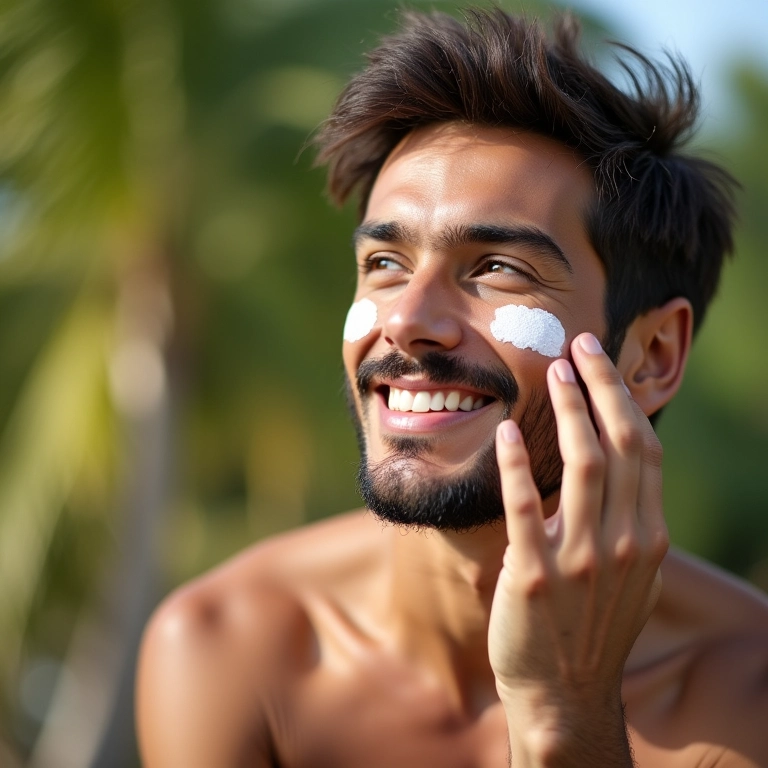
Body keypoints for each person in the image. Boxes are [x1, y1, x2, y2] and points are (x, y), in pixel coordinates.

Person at [136, 8, 768, 767]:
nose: (406, 321)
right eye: (385, 265)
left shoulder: (745, 697)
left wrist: (564, 717)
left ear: (653, 354)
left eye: (499, 269)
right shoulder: (229, 647)